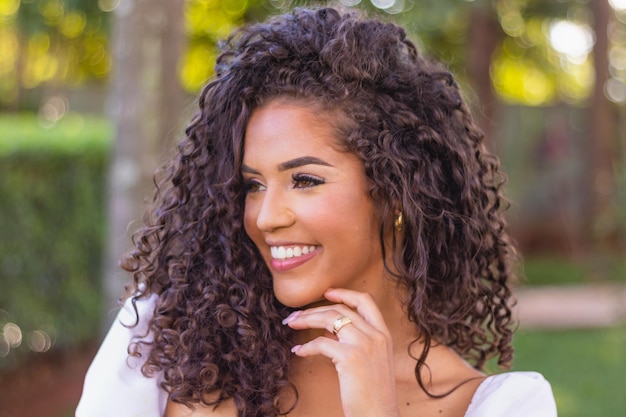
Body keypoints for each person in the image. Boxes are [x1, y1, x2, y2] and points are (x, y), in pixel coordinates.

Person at [77, 6, 557, 417]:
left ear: (396, 192)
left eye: (304, 180)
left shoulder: (501, 405)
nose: (266, 218)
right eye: (253, 185)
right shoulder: (166, 345)